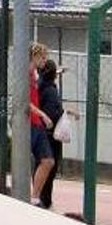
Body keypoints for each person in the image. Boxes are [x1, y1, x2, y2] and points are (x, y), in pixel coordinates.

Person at [36, 59, 75, 209]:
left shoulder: (40, 84)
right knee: (50, 167)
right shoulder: (51, 90)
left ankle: (40, 197)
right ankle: (44, 200)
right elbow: (53, 113)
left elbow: (48, 72)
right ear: (54, 75)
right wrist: (64, 113)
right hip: (50, 134)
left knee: (42, 165)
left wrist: (58, 70)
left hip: (42, 131)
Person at [28, 43, 57, 203]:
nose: (45, 61)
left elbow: (45, 75)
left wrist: (56, 71)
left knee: (48, 161)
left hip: (36, 123)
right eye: (43, 58)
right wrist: (43, 115)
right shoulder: (25, 73)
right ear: (35, 56)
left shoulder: (34, 74)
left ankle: (34, 198)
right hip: (30, 122)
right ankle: (25, 195)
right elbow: (23, 101)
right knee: (26, 161)